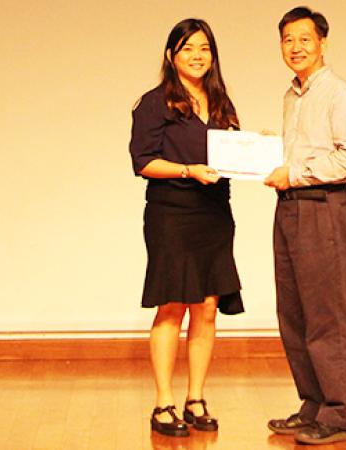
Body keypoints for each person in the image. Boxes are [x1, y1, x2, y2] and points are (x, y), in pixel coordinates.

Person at [129, 18, 243, 438]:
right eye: (188, 48)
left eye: (204, 48)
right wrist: (187, 170)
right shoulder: (153, 102)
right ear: (171, 55)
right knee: (173, 304)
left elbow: (232, 156)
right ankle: (163, 402)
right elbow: (143, 162)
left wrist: (258, 148)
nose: (197, 56)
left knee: (207, 306)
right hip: (172, 214)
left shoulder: (221, 101)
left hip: (215, 215)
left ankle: (196, 398)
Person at [263, 6, 346, 446]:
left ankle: (338, 414)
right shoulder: (292, 96)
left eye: (304, 39)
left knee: (328, 314)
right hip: (289, 207)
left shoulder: (339, 93)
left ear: (322, 42)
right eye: (287, 40)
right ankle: (313, 404)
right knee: (294, 314)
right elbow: (302, 152)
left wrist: (296, 172)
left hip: (324, 206)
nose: (295, 47)